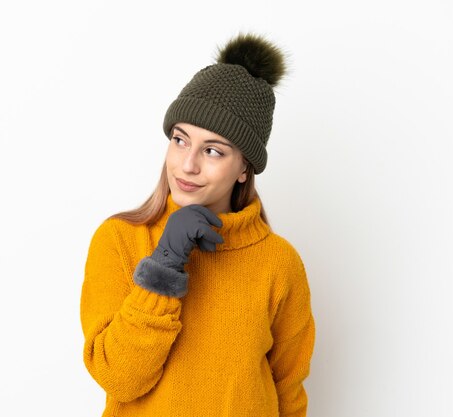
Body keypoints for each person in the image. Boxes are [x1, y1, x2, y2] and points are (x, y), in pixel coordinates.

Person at [80, 33, 315, 417]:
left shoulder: (279, 262)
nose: (187, 165)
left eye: (212, 150)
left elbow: (288, 392)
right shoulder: (120, 240)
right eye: (179, 140)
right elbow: (119, 379)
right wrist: (163, 265)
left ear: (244, 167)